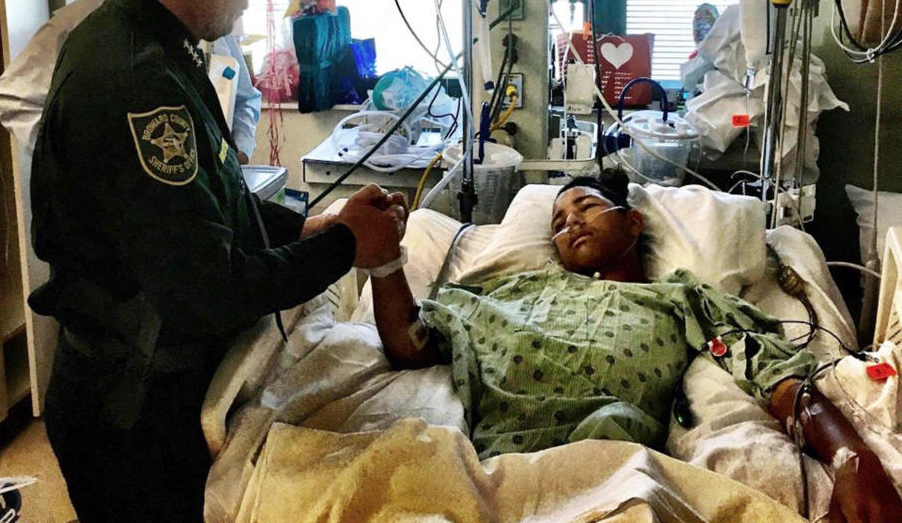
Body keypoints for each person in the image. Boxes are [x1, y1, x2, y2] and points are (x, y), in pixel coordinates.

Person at [29, 0, 407, 521]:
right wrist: (347, 247)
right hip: (132, 415)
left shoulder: (147, 43)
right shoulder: (135, 81)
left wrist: (316, 225)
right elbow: (206, 290)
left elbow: (214, 204)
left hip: (153, 387)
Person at [370, 169, 902, 523]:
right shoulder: (512, 291)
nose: (570, 221)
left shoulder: (681, 301)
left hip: (609, 479)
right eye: (557, 222)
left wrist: (850, 456)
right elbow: (411, 345)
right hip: (489, 480)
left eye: (586, 206)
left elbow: (770, 370)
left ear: (633, 221)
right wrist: (385, 260)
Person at [0, 0, 262, 162]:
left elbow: (245, 98)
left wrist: (239, 151)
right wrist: (80, 156)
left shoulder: (206, 19)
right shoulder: (79, 22)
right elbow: (14, 96)